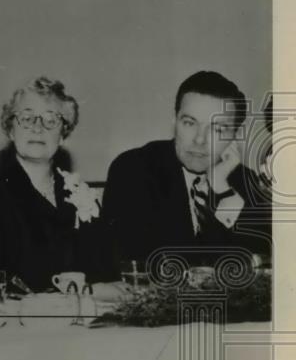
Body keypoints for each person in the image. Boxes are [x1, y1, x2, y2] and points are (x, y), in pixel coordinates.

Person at [102, 71, 271, 268]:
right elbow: (142, 260)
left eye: (217, 129)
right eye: (189, 123)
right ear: (174, 121)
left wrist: (221, 190)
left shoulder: (245, 181)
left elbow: (259, 263)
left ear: (235, 134)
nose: (199, 140)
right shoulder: (134, 168)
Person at [0, 77, 110, 292]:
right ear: (11, 130)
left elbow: (104, 270)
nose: (38, 128)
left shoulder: (83, 196)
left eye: (51, 120)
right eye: (27, 118)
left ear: (63, 135)